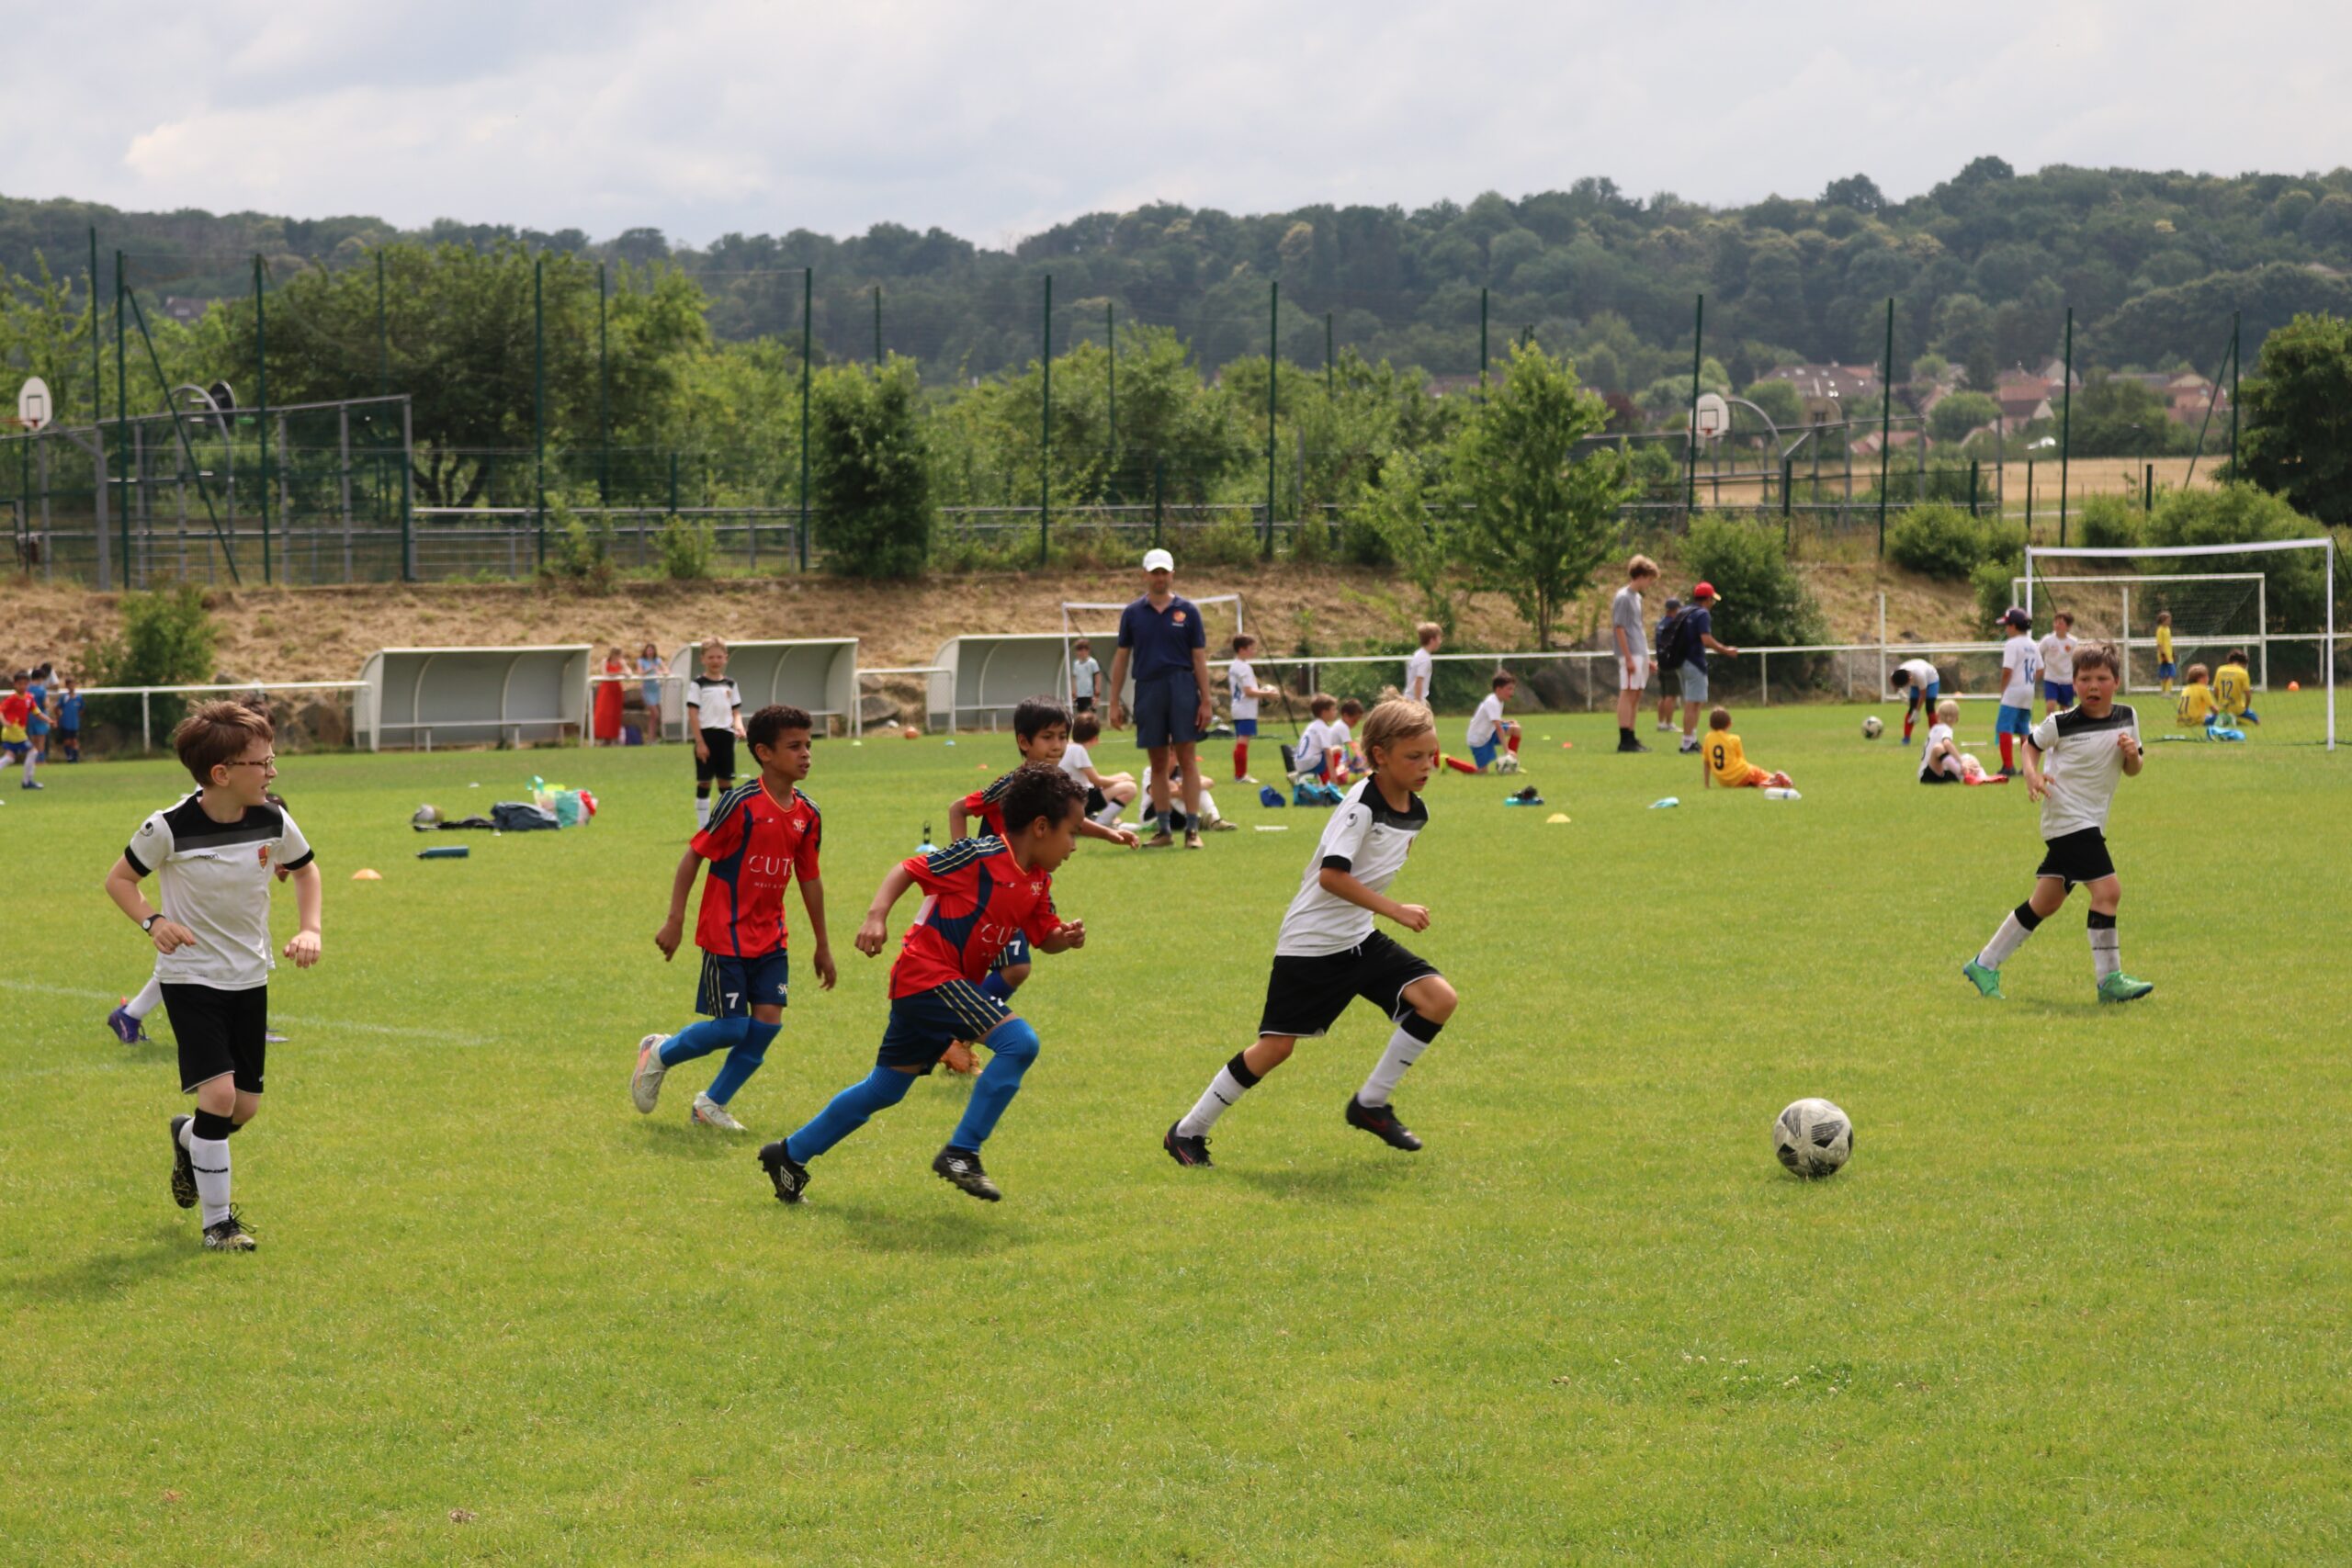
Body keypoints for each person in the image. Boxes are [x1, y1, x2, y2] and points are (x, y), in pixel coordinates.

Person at [757, 764, 1091, 1205]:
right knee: (1020, 1043)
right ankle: (962, 1152)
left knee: (884, 1089)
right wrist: (876, 916)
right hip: (927, 975)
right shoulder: (979, 855)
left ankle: (788, 1154)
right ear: (1042, 827)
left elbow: (1043, 938)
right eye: (1073, 833)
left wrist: (1063, 939)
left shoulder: (1038, 880)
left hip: (937, 988)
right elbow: (909, 869)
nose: (1074, 845)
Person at [1164, 698, 1456, 1167]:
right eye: (1413, 757)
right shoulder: (1360, 806)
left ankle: (1371, 1104)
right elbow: (1331, 876)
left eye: (1431, 754)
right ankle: (1187, 1132)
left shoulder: (1416, 809)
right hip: (1313, 945)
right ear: (1379, 756)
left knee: (1439, 999)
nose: (1427, 766)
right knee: (1276, 1048)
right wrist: (1395, 910)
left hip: (1358, 939)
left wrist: (1380, 914)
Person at [102, 702, 322, 1251]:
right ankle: (218, 1224)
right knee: (220, 1095)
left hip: (249, 976)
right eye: (262, 763)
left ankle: (187, 1137)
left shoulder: (273, 817)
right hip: (190, 977)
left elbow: (306, 869)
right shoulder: (168, 827)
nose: (272, 772)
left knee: (242, 1106)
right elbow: (120, 881)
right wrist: (154, 923)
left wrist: (310, 928)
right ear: (222, 774)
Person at [635, 705, 832, 1134]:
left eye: (809, 745)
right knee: (731, 1028)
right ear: (763, 752)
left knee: (766, 1026)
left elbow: (810, 878)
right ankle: (660, 1052)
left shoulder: (808, 814)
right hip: (725, 933)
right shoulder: (740, 803)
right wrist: (675, 920)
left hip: (771, 937)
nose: (806, 755)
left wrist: (823, 944)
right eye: (794, 746)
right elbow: (693, 857)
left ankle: (711, 1104)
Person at [1962, 643, 2153, 1004]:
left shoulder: (2128, 716)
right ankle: (2109, 979)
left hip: (2091, 820)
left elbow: (2134, 770)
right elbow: (2030, 745)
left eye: (2101, 678)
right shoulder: (2060, 723)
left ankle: (1983, 964)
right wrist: (2031, 775)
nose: (2093, 685)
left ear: (2116, 681)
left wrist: (2132, 756)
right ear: (2073, 683)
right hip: (2066, 817)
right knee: (2108, 892)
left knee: (2045, 903)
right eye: (2084, 679)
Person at [949, 694, 1137, 1006]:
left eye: (1063, 737)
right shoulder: (1012, 784)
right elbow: (958, 810)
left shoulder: (1057, 782)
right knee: (1009, 966)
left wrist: (1108, 833)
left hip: (1026, 883)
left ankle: (961, 1024)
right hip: (990, 887)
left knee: (1017, 964)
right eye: (1047, 737)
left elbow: (1070, 821)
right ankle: (960, 1024)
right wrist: (963, 862)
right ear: (1024, 742)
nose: (1057, 745)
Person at [1106, 548, 1216, 850]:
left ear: (1172, 575)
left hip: (1182, 686)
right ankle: (1164, 830)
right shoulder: (1132, 613)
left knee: (1187, 758)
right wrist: (1113, 702)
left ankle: (1192, 830)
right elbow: (1121, 658)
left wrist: (1206, 700)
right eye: (1154, 572)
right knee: (1156, 762)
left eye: (1164, 572)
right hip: (1148, 687)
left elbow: (1198, 657)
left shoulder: (1188, 611)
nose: (1159, 578)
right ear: (1145, 575)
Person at [686, 638, 747, 828]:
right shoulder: (698, 684)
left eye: (719, 657)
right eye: (711, 657)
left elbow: (735, 710)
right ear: (703, 659)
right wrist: (700, 742)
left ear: (725, 659)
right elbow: (693, 713)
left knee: (725, 782)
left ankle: (726, 824)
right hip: (706, 736)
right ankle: (703, 825)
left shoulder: (730, 684)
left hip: (725, 736)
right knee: (704, 781)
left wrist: (739, 726)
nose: (715, 660)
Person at [1674, 583, 1739, 754]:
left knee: (1693, 702)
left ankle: (1691, 740)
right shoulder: (1702, 614)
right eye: (1712, 600)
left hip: (1680, 661)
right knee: (1693, 703)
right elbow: (1706, 639)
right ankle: (1687, 743)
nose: (1712, 604)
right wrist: (1726, 650)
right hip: (1694, 661)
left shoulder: (1684, 611)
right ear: (1708, 599)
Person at [1612, 555, 1660, 752]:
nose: (1650, 584)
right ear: (1640, 575)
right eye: (1649, 579)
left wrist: (1647, 657)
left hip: (1639, 651)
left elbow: (1638, 628)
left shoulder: (1637, 598)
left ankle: (1632, 735)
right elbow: (1620, 628)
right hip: (1630, 652)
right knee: (1628, 692)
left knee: (1637, 694)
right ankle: (1624, 738)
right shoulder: (1623, 597)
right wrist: (1629, 657)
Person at [1060, 710, 1136, 827]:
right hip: (1079, 801)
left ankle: (1094, 818)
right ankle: (1102, 823)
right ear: (1094, 738)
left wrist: (1122, 777)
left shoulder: (1068, 746)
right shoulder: (1078, 750)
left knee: (1122, 777)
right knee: (1130, 788)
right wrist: (1122, 780)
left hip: (1068, 801)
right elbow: (1097, 781)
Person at [1699, 706, 1792, 791]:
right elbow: (1742, 760)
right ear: (1729, 724)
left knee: (1751, 781)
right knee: (1757, 773)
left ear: (1710, 725)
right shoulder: (1734, 739)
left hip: (1725, 782)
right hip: (1741, 774)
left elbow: (1706, 762)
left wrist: (1707, 784)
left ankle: (1764, 784)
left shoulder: (1708, 738)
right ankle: (1774, 779)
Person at [1995, 607, 2040, 777]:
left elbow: (2007, 670)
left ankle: (2008, 766)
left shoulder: (2012, 644)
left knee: (2004, 727)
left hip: (2013, 691)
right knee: (2023, 729)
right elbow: (2041, 669)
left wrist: (2003, 689)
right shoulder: (2033, 644)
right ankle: (2028, 766)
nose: (2006, 629)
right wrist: (2027, 681)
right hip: (2028, 691)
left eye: (2007, 625)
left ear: (2014, 626)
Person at [1227, 633, 1278, 782]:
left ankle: (1239, 774)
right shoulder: (1244, 667)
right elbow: (1248, 691)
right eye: (1251, 648)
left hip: (1238, 707)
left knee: (1240, 741)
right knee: (1243, 741)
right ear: (1242, 650)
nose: (1254, 651)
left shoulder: (1234, 665)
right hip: (1245, 709)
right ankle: (1241, 775)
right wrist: (1266, 694)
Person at [1465, 673, 1521, 773]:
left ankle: (1511, 763)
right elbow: (1499, 728)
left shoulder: (1499, 700)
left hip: (1489, 733)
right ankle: (1449, 761)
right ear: (1499, 690)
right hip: (1478, 740)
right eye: (1509, 689)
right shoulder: (1492, 702)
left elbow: (1494, 719)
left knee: (1516, 729)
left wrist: (1506, 721)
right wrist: (1506, 750)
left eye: (1513, 689)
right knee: (1482, 772)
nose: (1512, 693)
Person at [1890, 657, 1941, 744]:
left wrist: (1917, 711)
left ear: (1909, 679)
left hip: (1931, 681)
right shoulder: (1897, 673)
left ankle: (1935, 738)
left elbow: (1923, 694)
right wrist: (1899, 692)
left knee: (1929, 708)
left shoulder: (1919, 674)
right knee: (1911, 709)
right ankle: (1906, 738)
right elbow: (1892, 680)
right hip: (1916, 682)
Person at [1652, 598, 1684, 735]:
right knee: (1671, 695)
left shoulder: (1660, 624)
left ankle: (1661, 723)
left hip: (1661, 662)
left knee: (1663, 695)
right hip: (1671, 663)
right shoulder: (1673, 625)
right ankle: (1669, 723)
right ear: (1674, 610)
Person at [2038, 612, 2079, 716]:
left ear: (2068, 626)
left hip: (2067, 680)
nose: (2057, 625)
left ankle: (2063, 731)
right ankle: (2049, 728)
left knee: (2065, 710)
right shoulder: (2048, 640)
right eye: (2055, 622)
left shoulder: (2073, 642)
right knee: (2050, 706)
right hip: (2051, 678)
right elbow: (2037, 653)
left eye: (2060, 623)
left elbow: (2078, 660)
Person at [1295, 694, 1343, 783]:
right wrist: (1333, 776)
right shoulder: (1323, 728)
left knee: (1327, 752)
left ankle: (1302, 777)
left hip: (1299, 763)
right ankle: (1326, 781)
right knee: (1338, 749)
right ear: (1324, 712)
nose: (1336, 712)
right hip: (1310, 764)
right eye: (1333, 709)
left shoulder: (1312, 725)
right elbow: (1328, 753)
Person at [2, 671, 37, 789]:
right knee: (33, 751)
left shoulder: (28, 697)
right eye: (20, 683)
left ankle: (27, 782)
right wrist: (4, 722)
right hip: (14, 731)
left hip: (16, 731)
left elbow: (34, 710)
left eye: (25, 683)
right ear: (15, 684)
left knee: (10, 758)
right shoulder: (12, 699)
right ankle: (26, 782)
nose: (23, 686)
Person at [2214, 649, 2260, 725]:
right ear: (2244, 663)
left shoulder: (2220, 670)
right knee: (2257, 721)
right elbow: (2248, 695)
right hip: (2238, 709)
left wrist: (2220, 703)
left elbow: (2215, 691)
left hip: (2223, 708)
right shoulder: (2242, 673)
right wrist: (2246, 707)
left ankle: (2227, 718)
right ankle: (2236, 719)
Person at [593, 647, 628, 746]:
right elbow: (605, 674)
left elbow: (628, 673)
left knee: (615, 714)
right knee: (604, 713)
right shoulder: (605, 661)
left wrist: (624, 666)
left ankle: (613, 738)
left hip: (616, 690)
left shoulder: (621, 662)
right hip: (606, 690)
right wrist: (620, 673)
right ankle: (604, 737)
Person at [1404, 623, 1441, 705]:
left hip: (1410, 699)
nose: (1440, 642)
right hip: (1414, 701)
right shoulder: (1424, 658)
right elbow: (1419, 681)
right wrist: (1418, 704)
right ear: (1432, 640)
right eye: (1439, 638)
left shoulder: (1419, 654)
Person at [2175, 663, 2221, 728]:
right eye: (2207, 676)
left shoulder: (2186, 688)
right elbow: (2213, 709)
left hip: (2182, 722)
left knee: (2208, 715)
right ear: (2201, 678)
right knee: (2224, 717)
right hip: (2196, 722)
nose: (2208, 679)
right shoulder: (2202, 689)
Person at [637, 642, 666, 740]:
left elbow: (666, 670)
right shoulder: (641, 661)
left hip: (656, 688)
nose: (650, 652)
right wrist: (649, 669)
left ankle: (652, 738)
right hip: (647, 689)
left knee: (655, 717)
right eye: (648, 650)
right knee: (655, 714)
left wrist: (660, 672)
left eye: (652, 650)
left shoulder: (658, 660)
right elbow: (640, 673)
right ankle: (651, 738)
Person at [1334, 698, 1366, 779]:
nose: (1355, 724)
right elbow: (1350, 747)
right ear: (1345, 715)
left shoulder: (1339, 724)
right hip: (1335, 759)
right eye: (1354, 720)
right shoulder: (1342, 727)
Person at [1068, 637, 1102, 716]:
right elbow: (1075, 678)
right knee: (1081, 714)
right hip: (1080, 695)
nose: (1081, 653)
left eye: (1083, 650)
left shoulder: (1092, 662)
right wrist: (1074, 692)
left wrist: (1097, 693)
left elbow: (1097, 677)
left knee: (1089, 714)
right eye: (1079, 650)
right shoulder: (1076, 664)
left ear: (1087, 651)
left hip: (1090, 694)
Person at [54, 675, 83, 762]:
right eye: (70, 685)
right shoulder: (64, 698)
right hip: (66, 723)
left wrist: (77, 717)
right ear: (66, 686)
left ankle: (75, 758)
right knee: (67, 741)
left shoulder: (79, 698)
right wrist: (59, 717)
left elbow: (81, 709)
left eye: (73, 684)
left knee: (74, 741)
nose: (72, 687)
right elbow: (57, 708)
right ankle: (69, 757)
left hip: (75, 724)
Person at [2154, 612, 2177, 694]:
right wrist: (2163, 655)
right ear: (2163, 620)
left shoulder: (2168, 629)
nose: (2169, 621)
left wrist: (2172, 652)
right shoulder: (2160, 630)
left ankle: (2166, 691)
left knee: (2171, 673)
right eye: (2168, 619)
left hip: (2169, 655)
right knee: (2167, 673)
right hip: (2163, 656)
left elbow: (2168, 642)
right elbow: (2159, 644)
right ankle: (2165, 692)